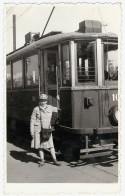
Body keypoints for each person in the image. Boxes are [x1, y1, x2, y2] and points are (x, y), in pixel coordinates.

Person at [30, 93, 61, 167]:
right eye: (41, 100)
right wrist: (32, 131)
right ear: (39, 101)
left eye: (44, 101)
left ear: (46, 101)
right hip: (38, 130)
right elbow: (32, 120)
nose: (42, 102)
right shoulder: (36, 109)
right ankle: (42, 161)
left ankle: (54, 160)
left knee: (51, 146)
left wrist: (58, 100)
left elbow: (59, 108)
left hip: (47, 130)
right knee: (40, 146)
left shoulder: (50, 108)